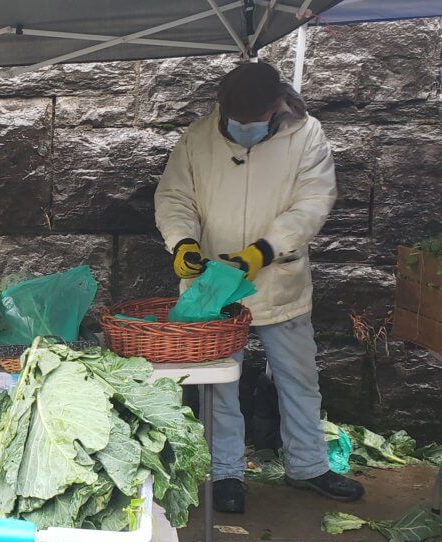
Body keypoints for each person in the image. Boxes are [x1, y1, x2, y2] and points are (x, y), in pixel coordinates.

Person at [154, 62, 364, 513]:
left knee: (299, 378)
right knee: (217, 385)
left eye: (251, 122)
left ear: (276, 106)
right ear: (221, 107)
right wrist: (183, 241)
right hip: (212, 283)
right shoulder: (197, 137)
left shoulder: (307, 136)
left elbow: (312, 203)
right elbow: (175, 197)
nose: (241, 130)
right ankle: (224, 472)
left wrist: (264, 251)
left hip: (278, 278)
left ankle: (309, 466)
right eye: (234, 121)